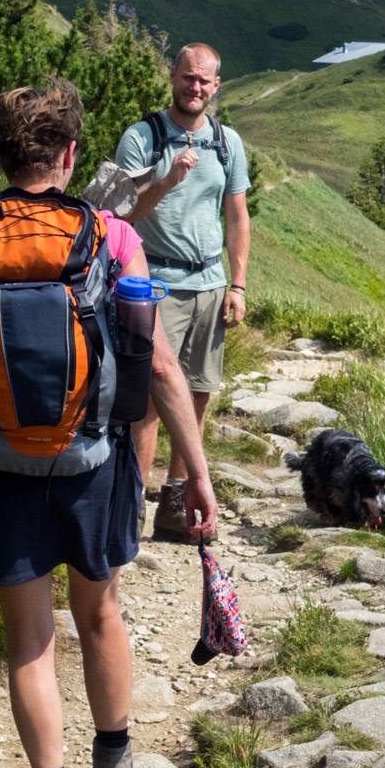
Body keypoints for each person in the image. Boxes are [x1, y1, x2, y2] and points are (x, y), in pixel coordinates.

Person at [0, 79, 217, 768]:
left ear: (0, 153)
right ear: (68, 155)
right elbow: (157, 366)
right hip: (94, 461)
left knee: (28, 643)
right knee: (100, 616)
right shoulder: (112, 239)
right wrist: (195, 472)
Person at [113, 43, 251, 539]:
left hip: (210, 284)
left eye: (204, 81)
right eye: (187, 77)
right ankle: (129, 508)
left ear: (217, 87)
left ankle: (175, 507)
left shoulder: (226, 141)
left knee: (195, 396)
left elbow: (236, 216)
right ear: (172, 76)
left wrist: (237, 283)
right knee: (150, 401)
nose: (195, 88)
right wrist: (167, 181)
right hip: (154, 285)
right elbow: (121, 216)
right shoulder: (142, 138)